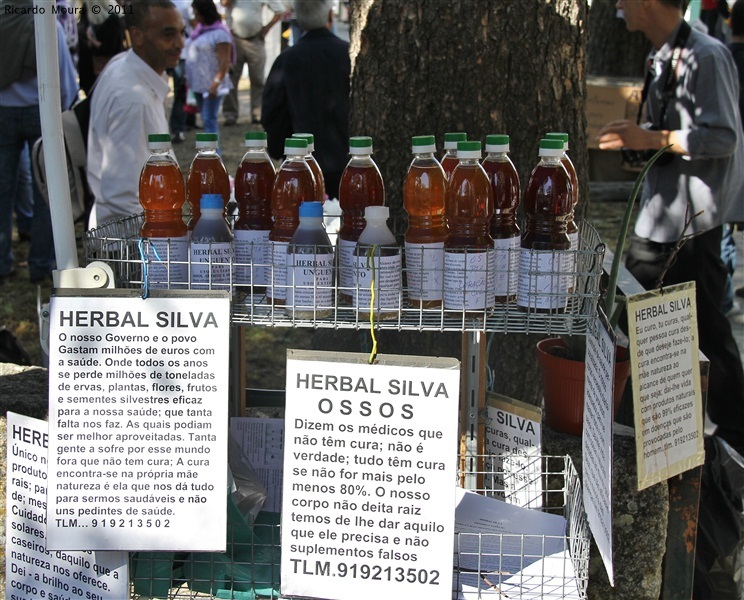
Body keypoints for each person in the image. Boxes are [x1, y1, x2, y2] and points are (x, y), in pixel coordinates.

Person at [598, 0, 744, 455]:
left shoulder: (707, 54)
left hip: (693, 224)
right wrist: (639, 143)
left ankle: (734, 436)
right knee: (644, 323)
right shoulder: (659, 57)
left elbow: (723, 137)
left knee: (705, 335)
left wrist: (653, 139)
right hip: (659, 218)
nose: (618, 6)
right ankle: (656, 433)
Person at [87, 0, 185, 228]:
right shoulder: (134, 99)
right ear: (137, 35)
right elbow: (123, 197)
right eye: (168, 34)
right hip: (130, 242)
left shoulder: (125, 65)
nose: (180, 43)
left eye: (182, 33)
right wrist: (167, 242)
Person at [0, 0, 79, 283]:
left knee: (3, 190)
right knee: (49, 191)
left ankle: (2, 261)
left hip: (3, 112)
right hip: (42, 112)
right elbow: (67, 81)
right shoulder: (45, 23)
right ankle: (42, 263)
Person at [262, 0, 350, 199]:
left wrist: (280, 150)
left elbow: (273, 114)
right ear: (330, 17)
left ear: (300, 22)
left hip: (302, 163)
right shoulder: (348, 54)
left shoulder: (286, 60)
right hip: (348, 160)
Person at [220, 0, 287, 126]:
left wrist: (266, 29)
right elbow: (223, 3)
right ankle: (230, 114)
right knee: (232, 79)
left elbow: (280, 10)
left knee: (257, 79)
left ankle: (257, 113)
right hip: (235, 40)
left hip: (255, 40)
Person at [184, 0, 234, 140]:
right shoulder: (198, 31)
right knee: (205, 119)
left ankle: (214, 155)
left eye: (196, 12)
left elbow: (224, 62)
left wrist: (215, 84)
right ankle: (209, 152)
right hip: (199, 84)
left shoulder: (220, 34)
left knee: (209, 119)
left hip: (212, 84)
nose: (194, 15)